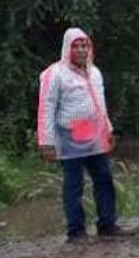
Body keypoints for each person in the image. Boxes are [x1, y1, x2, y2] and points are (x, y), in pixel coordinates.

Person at [37, 28, 118, 243]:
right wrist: (46, 142)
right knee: (74, 185)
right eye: (76, 46)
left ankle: (107, 225)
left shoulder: (95, 72)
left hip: (96, 135)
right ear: (67, 48)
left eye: (85, 45)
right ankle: (76, 231)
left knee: (104, 179)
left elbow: (101, 105)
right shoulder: (54, 74)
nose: (81, 50)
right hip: (69, 136)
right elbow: (46, 108)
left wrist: (108, 129)